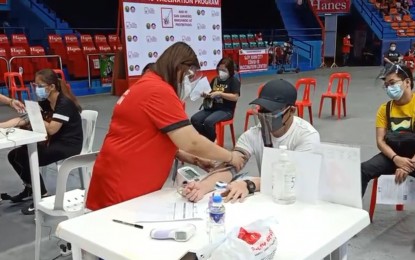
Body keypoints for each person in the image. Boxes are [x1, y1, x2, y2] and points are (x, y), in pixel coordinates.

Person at [86, 42, 245, 211]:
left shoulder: (146, 84)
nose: (190, 82)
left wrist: (195, 159)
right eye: (189, 76)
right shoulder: (158, 91)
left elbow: (156, 138)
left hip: (117, 178)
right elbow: (191, 142)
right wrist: (230, 157)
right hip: (123, 188)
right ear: (179, 68)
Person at [183, 79, 320, 203]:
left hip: (297, 200)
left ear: (291, 111)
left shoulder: (306, 137)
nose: (264, 116)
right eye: (262, 110)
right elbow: (231, 167)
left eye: (272, 111)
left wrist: (249, 184)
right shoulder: (253, 135)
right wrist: (202, 187)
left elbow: (295, 179)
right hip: (269, 197)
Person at [0, 69, 83, 214]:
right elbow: (22, 120)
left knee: (25, 155)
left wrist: (36, 117)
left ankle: (42, 195)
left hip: (68, 145)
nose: (36, 88)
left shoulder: (64, 104)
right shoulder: (45, 102)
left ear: (51, 86)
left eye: (39, 85)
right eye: (35, 85)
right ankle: (30, 188)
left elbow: (52, 129)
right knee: (13, 155)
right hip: (54, 142)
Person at [361, 64, 415, 197]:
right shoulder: (384, 109)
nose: (389, 88)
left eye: (392, 83)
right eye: (386, 85)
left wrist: (408, 165)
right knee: (362, 170)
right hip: (392, 156)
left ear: (407, 82)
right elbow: (380, 141)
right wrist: (396, 158)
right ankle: (354, 214)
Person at [191, 57, 240, 142]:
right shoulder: (215, 80)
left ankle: (212, 141)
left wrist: (220, 94)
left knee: (208, 122)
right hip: (212, 107)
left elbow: (235, 97)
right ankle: (210, 139)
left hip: (226, 110)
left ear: (230, 70)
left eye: (224, 70)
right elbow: (210, 93)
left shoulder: (234, 81)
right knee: (194, 119)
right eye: (219, 69)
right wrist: (205, 94)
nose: (221, 72)